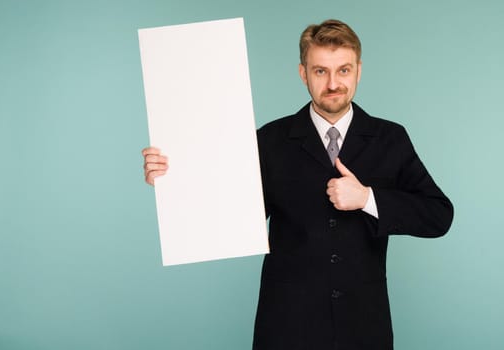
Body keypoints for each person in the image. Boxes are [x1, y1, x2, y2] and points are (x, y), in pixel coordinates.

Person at [142, 19, 453, 350]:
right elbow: (228, 215)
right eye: (320, 71)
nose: (333, 83)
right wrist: (171, 182)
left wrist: (367, 198)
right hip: (286, 325)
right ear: (303, 73)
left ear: (359, 71)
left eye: (343, 70)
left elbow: (438, 215)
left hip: (363, 324)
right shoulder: (269, 140)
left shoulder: (390, 139)